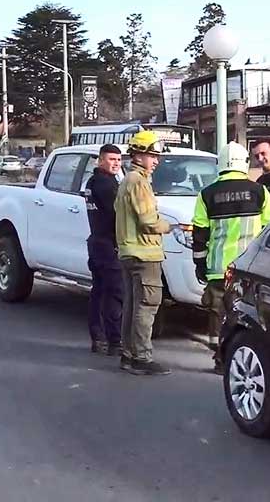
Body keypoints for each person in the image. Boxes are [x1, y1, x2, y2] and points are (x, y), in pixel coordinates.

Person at [193, 142, 270, 373]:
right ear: (244, 163)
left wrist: (200, 264)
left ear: (220, 164)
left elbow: (200, 234)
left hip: (218, 268)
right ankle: (239, 357)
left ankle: (219, 358)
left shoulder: (206, 194)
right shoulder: (259, 191)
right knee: (244, 314)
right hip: (248, 268)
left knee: (217, 313)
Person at [115, 131, 172, 376]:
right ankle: (141, 357)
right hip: (144, 254)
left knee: (133, 304)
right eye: (152, 155)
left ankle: (128, 355)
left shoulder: (127, 180)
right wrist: (168, 226)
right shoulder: (139, 182)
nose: (156, 161)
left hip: (129, 253)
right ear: (138, 154)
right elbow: (149, 220)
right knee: (147, 306)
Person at [84, 144, 124, 356]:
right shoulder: (106, 185)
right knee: (114, 294)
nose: (116, 163)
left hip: (96, 243)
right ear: (100, 160)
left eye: (118, 160)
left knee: (98, 291)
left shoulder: (93, 181)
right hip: (108, 245)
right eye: (111, 159)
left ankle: (97, 337)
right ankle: (114, 340)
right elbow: (118, 215)